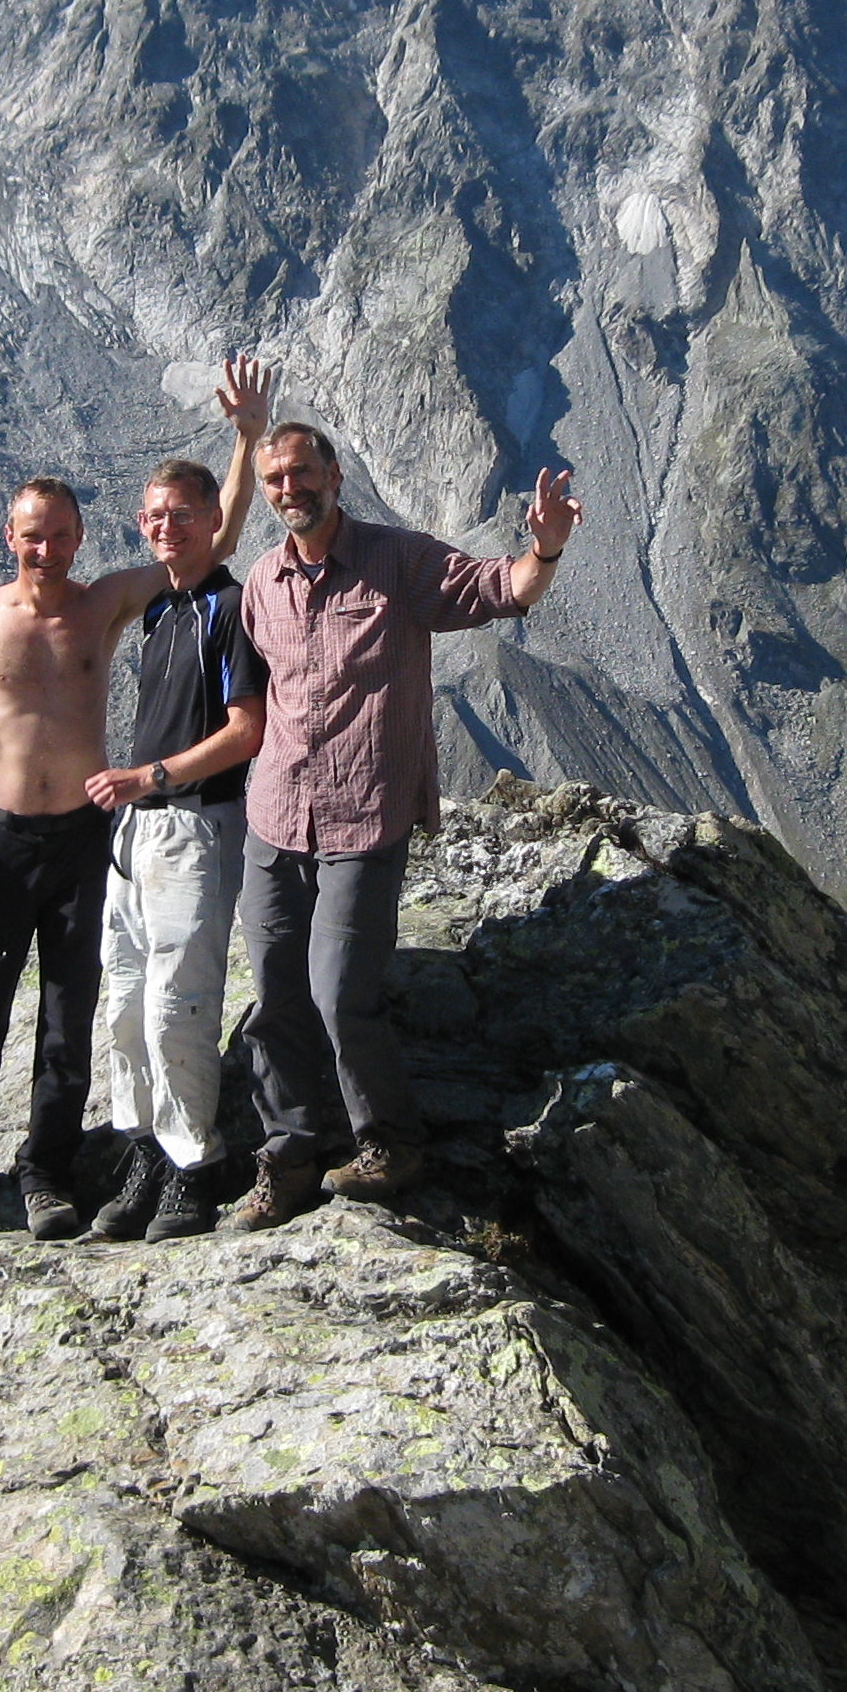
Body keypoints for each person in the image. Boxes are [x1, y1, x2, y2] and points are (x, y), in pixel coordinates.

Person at [0, 360, 269, 1251]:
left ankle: (46, 1175)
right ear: (10, 535)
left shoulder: (105, 604)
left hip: (82, 841)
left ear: (78, 537)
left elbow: (209, 545)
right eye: (34, 536)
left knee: (72, 1021)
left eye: (61, 535)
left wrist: (248, 440)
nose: (47, 549)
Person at [221, 421, 581, 1228]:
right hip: (276, 817)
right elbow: (257, 695)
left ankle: (390, 1140)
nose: (288, 489)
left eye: (302, 474)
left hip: (363, 815)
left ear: (335, 475)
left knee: (340, 990)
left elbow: (498, 589)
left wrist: (546, 551)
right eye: (275, 479)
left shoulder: (398, 560)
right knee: (276, 999)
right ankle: (290, 1154)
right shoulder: (262, 582)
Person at [76, 457, 270, 1241]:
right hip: (139, 830)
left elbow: (246, 730)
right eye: (154, 516)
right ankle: (145, 1150)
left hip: (194, 824)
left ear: (210, 521)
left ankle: (194, 1163)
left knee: (173, 1003)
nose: (166, 527)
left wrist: (150, 776)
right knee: (123, 1002)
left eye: (181, 515)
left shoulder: (228, 608)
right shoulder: (162, 607)